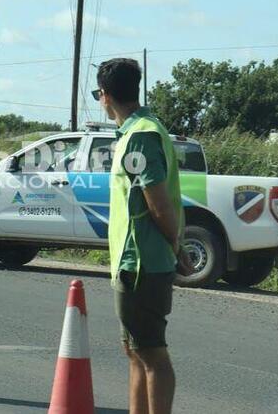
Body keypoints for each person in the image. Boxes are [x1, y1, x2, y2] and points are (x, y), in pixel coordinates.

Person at [92, 58, 193, 414]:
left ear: (105, 96)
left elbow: (158, 203)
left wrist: (174, 243)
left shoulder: (141, 136)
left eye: (97, 94)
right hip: (132, 262)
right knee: (135, 351)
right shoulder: (136, 132)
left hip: (142, 264)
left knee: (150, 353)